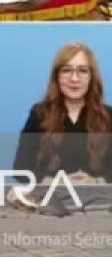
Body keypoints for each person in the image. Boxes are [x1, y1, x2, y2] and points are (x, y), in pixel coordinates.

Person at [10, 42, 112, 207]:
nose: (74, 78)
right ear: (56, 76)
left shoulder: (109, 116)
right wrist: (52, 181)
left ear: (92, 77)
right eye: (66, 70)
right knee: (15, 195)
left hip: (99, 201)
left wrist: (97, 181)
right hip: (53, 198)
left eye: (82, 70)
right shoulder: (39, 113)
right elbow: (20, 168)